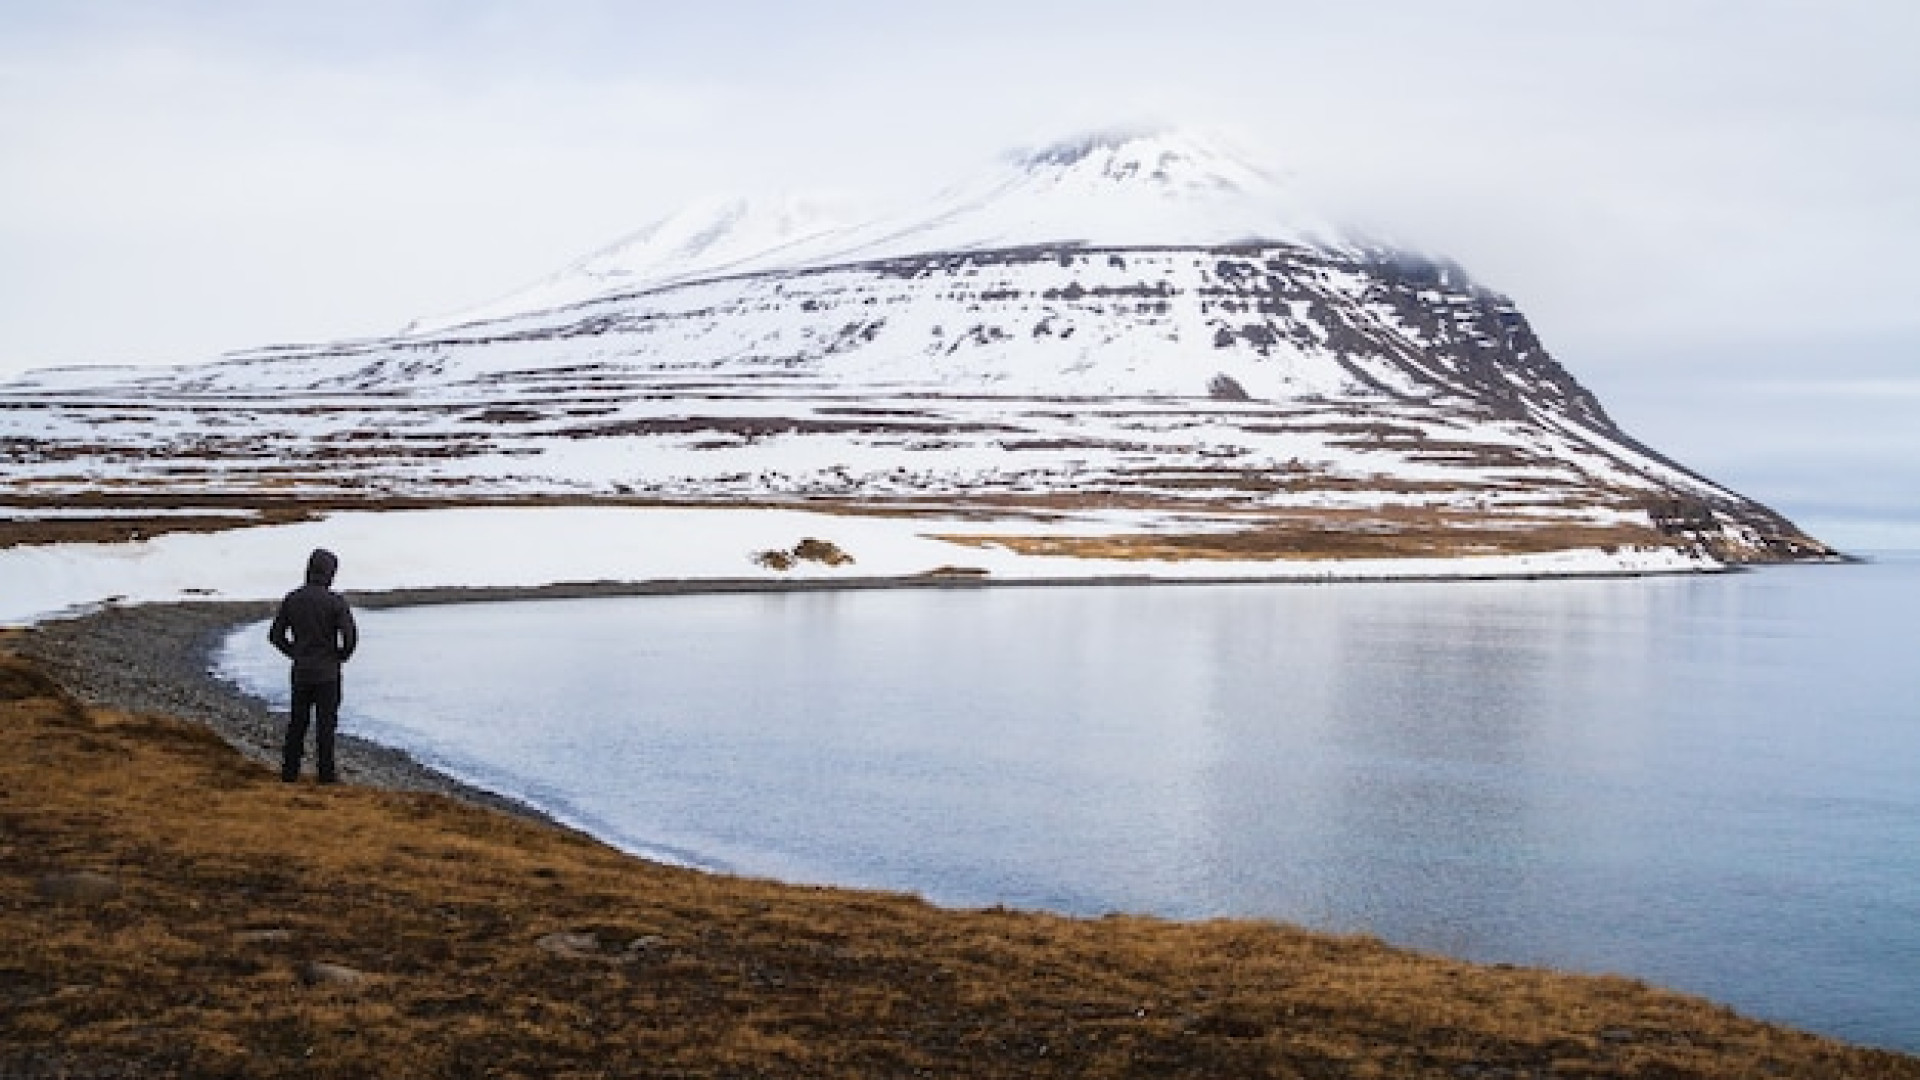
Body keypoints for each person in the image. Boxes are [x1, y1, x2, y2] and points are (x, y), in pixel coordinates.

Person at [269, 548, 358, 784]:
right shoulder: (336, 603)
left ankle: (289, 772)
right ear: (330, 573)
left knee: (297, 722)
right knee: (326, 726)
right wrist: (340, 656)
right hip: (328, 673)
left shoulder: (293, 598)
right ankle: (326, 775)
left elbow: (275, 636)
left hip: (301, 672)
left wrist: (295, 653)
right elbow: (350, 637)